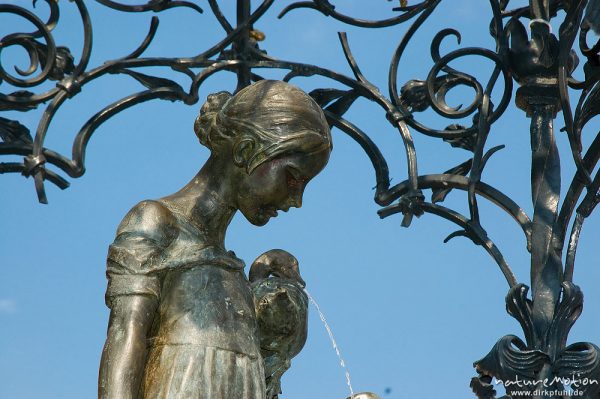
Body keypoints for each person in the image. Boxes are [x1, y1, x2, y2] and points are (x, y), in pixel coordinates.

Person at [98, 80, 332, 398]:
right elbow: (126, 336)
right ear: (246, 150)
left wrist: (263, 291)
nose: (297, 199)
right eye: (292, 178)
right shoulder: (156, 220)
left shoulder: (233, 271)